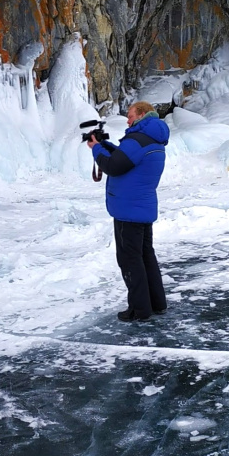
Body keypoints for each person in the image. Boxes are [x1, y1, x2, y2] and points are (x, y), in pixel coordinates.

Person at [88, 101, 171, 322]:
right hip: (142, 208)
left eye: (131, 116)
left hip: (128, 210)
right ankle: (157, 304)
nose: (127, 120)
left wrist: (96, 149)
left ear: (142, 114)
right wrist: (105, 146)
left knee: (130, 260)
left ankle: (139, 310)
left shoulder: (136, 140)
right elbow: (125, 160)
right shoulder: (152, 140)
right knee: (146, 256)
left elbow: (113, 167)